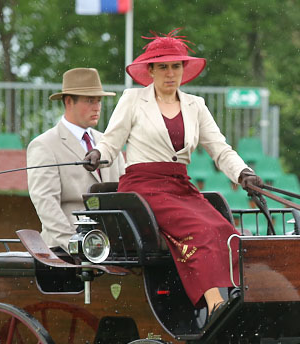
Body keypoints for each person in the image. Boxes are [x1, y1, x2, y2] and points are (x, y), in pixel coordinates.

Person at [84, 29, 263, 321]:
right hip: (143, 187)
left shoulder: (196, 105)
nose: (170, 73)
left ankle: (236, 300)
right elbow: (110, 142)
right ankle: (215, 305)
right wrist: (97, 155)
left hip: (180, 186)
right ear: (151, 70)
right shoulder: (132, 100)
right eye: (163, 67)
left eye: (176, 66)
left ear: (184, 70)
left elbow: (220, 149)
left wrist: (243, 174)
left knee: (226, 232)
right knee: (202, 231)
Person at [27, 67, 125, 248]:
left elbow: (125, 191)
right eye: (90, 101)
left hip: (112, 246)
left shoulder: (109, 143)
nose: (97, 107)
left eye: (99, 100)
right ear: (69, 101)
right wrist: (75, 243)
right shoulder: (44, 145)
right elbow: (46, 202)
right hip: (64, 251)